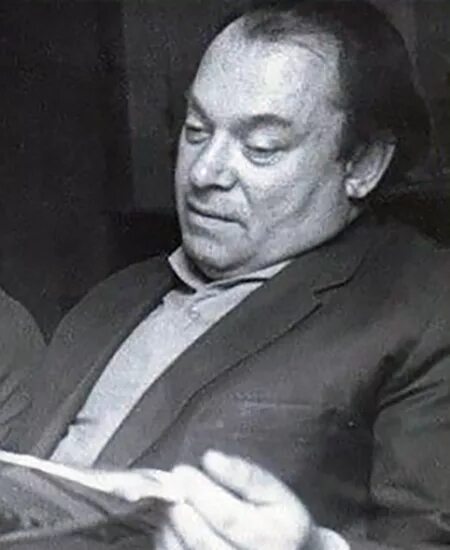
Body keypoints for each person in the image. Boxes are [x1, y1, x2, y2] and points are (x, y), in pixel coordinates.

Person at [2, 1, 450, 548]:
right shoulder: (111, 299)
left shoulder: (424, 307)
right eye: (196, 130)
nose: (204, 172)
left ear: (362, 165)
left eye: (260, 148)